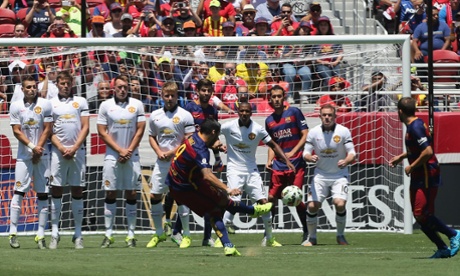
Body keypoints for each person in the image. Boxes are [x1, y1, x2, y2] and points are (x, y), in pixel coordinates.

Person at [165, 118, 273, 256]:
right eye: (217, 137)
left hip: (177, 180)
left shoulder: (194, 137)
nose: (218, 140)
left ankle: (229, 245)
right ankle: (252, 211)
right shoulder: (201, 150)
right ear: (213, 132)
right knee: (218, 204)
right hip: (186, 187)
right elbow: (207, 175)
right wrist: (227, 189)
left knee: (216, 207)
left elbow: (202, 147)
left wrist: (215, 146)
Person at [389, 97, 460, 258]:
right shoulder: (415, 124)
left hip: (426, 173)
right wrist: (402, 157)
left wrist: (411, 166)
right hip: (419, 174)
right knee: (420, 215)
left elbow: (427, 152)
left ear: (400, 111)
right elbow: (419, 148)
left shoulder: (415, 127)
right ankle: (442, 248)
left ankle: (453, 234)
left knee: (422, 213)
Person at [221, 102, 295, 246]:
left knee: (264, 203)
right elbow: (211, 133)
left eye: (247, 111)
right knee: (234, 202)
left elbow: (273, 145)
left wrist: (286, 160)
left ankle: (269, 238)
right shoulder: (228, 126)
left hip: (252, 171)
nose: (244, 113)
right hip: (234, 170)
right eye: (241, 111)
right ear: (237, 111)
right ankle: (221, 238)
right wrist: (217, 145)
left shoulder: (258, 129)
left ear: (251, 113)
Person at [97, 75, 146, 248]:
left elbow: (140, 131)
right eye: (119, 87)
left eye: (125, 86)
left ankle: (131, 235)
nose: (122, 90)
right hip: (112, 156)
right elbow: (102, 131)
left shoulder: (137, 105)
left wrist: (129, 150)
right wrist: (119, 150)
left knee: (131, 192)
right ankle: (108, 234)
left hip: (132, 155)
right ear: (114, 88)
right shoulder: (105, 106)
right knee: (110, 192)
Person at [146, 82, 196, 249]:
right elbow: (152, 137)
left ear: (177, 96)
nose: (169, 98)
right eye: (166, 95)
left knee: (181, 198)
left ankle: (187, 235)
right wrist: (159, 152)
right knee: (154, 196)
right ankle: (159, 232)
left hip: (179, 163)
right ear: (162, 95)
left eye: (172, 95)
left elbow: (190, 141)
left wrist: (173, 152)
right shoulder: (155, 115)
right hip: (161, 162)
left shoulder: (185, 115)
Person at [302, 103, 356, 246]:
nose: (327, 118)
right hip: (320, 175)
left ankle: (340, 235)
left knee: (339, 203)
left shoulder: (343, 131)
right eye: (324, 115)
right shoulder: (313, 132)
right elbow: (305, 153)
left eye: (329, 115)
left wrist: (346, 161)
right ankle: (312, 238)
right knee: (312, 205)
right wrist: (310, 157)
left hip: (339, 175)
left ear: (335, 116)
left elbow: (352, 153)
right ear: (320, 116)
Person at [8, 75, 53, 249]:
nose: (31, 90)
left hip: (42, 155)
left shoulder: (45, 104)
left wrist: (38, 149)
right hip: (24, 156)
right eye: (28, 87)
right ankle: (13, 232)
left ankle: (40, 235)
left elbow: (48, 129)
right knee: (19, 192)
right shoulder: (15, 106)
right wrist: (33, 147)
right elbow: (17, 131)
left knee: (43, 193)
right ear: (22, 89)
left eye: (34, 86)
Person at [48, 71, 90, 249]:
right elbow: (48, 131)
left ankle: (78, 234)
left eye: (68, 83)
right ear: (57, 84)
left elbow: (86, 126)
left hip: (77, 152)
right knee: (56, 189)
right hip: (58, 153)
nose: (65, 86)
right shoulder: (50, 103)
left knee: (77, 190)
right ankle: (55, 233)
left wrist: (73, 148)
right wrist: (62, 148)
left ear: (72, 84)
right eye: (62, 83)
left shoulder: (80, 101)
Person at [264, 85, 309, 245]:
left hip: (296, 164)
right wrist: (269, 159)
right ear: (270, 99)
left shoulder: (294, 112)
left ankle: (306, 232)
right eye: (273, 97)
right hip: (278, 166)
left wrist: (293, 152)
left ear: (284, 97)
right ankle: (267, 235)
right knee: (271, 199)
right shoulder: (268, 121)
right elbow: (272, 144)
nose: (276, 99)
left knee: (296, 198)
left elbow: (305, 134)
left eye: (279, 96)